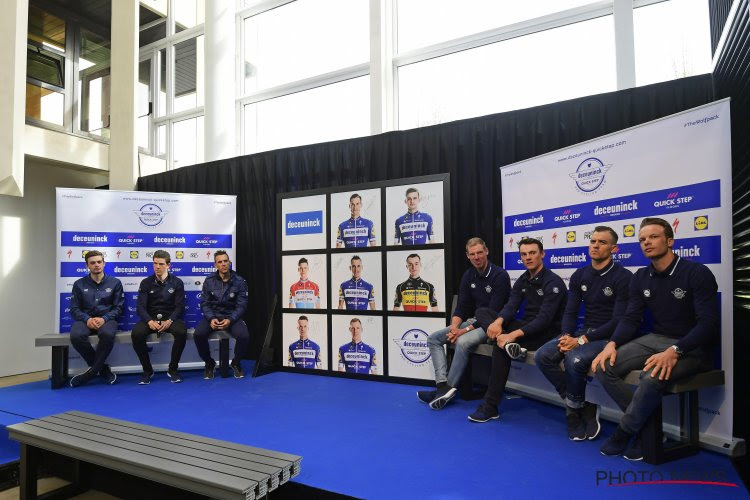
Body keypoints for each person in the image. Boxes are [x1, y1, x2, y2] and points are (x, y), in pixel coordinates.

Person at [592, 217, 719, 461]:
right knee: (603, 365)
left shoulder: (696, 273)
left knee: (650, 378)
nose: (646, 242)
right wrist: (611, 344)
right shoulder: (641, 276)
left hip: (693, 347)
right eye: (642, 239)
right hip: (655, 338)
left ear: (670, 241)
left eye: (653, 237)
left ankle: (624, 431)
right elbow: (630, 318)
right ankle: (648, 429)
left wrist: (676, 349)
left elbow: (708, 325)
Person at [535, 226, 632, 440]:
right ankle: (582, 406)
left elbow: (618, 321)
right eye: (593, 241)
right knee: (543, 355)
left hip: (608, 336)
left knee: (575, 359)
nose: (596, 245)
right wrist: (566, 336)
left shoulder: (623, 277)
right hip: (582, 332)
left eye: (602, 242)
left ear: (614, 248)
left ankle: (572, 413)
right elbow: (570, 311)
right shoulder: (580, 274)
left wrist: (580, 341)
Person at [469, 237, 567, 423]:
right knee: (482, 311)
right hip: (525, 327)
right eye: (524, 254)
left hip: (546, 333)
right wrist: (498, 323)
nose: (528, 257)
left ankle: (490, 406)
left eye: (532, 253)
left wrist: (512, 335)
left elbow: (544, 320)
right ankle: (507, 345)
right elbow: (511, 306)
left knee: (501, 347)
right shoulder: (523, 279)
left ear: (542, 254)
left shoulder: (553, 282)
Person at [418, 237, 510, 410]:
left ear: (487, 252)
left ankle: (447, 391)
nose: (477, 257)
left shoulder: (500, 275)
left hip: (492, 325)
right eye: (472, 254)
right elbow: (462, 306)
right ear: (467, 256)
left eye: (480, 253)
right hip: (473, 321)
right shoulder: (469, 275)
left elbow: (493, 313)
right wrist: (454, 327)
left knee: (463, 341)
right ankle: (441, 387)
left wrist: (463, 331)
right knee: (434, 339)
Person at [68, 250, 124, 387]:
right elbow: (74, 309)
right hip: (85, 320)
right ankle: (102, 369)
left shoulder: (115, 283)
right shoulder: (78, 284)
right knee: (76, 335)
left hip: (107, 320)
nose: (96, 265)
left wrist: (104, 318)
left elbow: (119, 308)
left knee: (107, 334)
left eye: (99, 262)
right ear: (87, 265)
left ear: (104, 264)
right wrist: (87, 319)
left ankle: (91, 373)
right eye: (92, 263)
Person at [131, 250, 187, 384]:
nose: (157, 267)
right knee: (137, 333)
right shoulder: (146, 282)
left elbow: (180, 306)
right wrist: (149, 321)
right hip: (150, 318)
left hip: (170, 318)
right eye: (155, 263)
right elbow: (140, 307)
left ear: (168, 265)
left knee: (181, 332)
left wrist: (170, 320)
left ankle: (173, 369)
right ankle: (147, 371)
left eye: (161, 264)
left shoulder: (177, 282)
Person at [195, 250, 250, 379]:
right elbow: (205, 303)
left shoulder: (240, 281)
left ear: (229, 263)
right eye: (220, 262)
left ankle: (236, 363)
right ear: (215, 265)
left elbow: (242, 305)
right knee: (198, 334)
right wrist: (211, 318)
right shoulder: (209, 281)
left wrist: (230, 319)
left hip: (232, 316)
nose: (223, 264)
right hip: (213, 316)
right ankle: (209, 363)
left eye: (226, 261)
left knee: (244, 336)